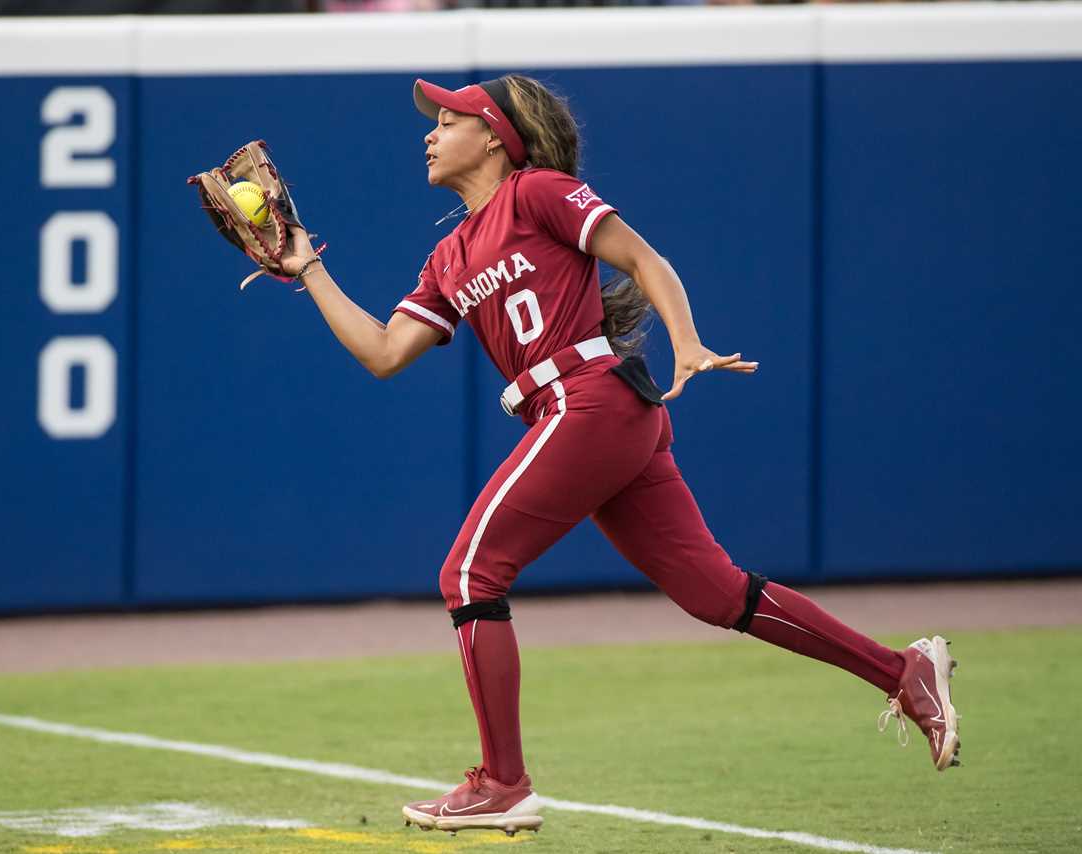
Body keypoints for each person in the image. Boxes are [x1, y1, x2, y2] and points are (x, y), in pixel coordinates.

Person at [275, 75, 961, 836]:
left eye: (448, 120)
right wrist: (308, 268)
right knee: (715, 593)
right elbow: (382, 352)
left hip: (590, 397)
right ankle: (902, 671)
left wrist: (687, 338)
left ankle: (503, 782)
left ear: (497, 136)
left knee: (469, 572)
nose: (429, 134)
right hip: (585, 414)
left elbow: (643, 259)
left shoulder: (537, 192)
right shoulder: (447, 256)